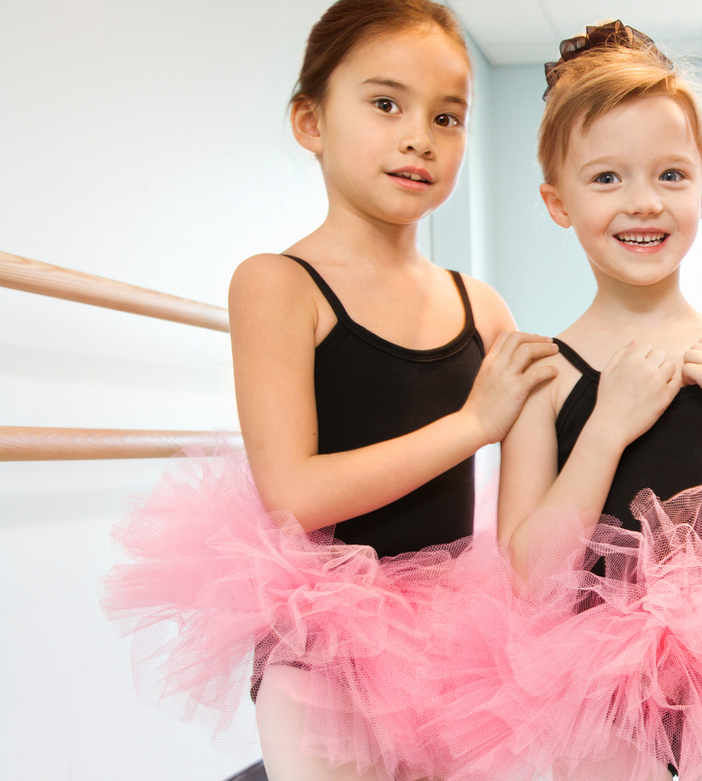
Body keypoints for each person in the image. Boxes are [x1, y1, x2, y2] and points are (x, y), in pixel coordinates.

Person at [101, 2, 556, 779]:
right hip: (325, 641)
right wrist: (472, 422)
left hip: (455, 638)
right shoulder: (278, 284)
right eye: (386, 104)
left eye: (448, 117)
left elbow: (536, 490)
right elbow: (294, 493)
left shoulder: (483, 307)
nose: (419, 135)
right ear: (310, 121)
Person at [420, 22, 702, 781]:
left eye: (671, 175)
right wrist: (606, 426)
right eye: (607, 179)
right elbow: (531, 576)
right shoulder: (546, 377)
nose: (644, 203)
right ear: (557, 201)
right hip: (597, 712)